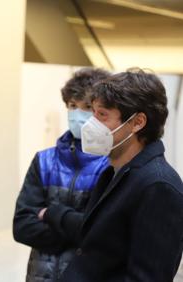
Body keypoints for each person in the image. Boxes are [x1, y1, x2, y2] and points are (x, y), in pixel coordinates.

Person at [47, 69, 183, 282]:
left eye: (102, 115)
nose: (90, 125)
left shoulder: (158, 186)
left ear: (137, 122)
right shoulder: (113, 172)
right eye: (93, 113)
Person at [13, 68, 110, 282]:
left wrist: (51, 215)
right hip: (41, 275)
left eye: (86, 107)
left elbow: (101, 233)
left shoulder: (110, 165)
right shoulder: (44, 161)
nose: (77, 114)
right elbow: (22, 227)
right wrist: (75, 235)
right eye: (72, 106)